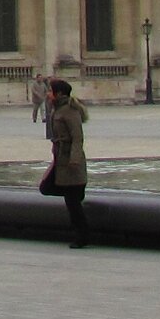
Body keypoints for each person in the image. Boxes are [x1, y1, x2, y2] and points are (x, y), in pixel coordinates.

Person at [43, 78, 90, 247]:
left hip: (71, 163)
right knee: (52, 190)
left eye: (50, 91)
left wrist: (74, 159)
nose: (48, 94)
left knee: (73, 202)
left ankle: (82, 236)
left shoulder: (69, 111)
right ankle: (81, 234)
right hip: (61, 160)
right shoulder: (58, 109)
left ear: (59, 93)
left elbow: (77, 137)